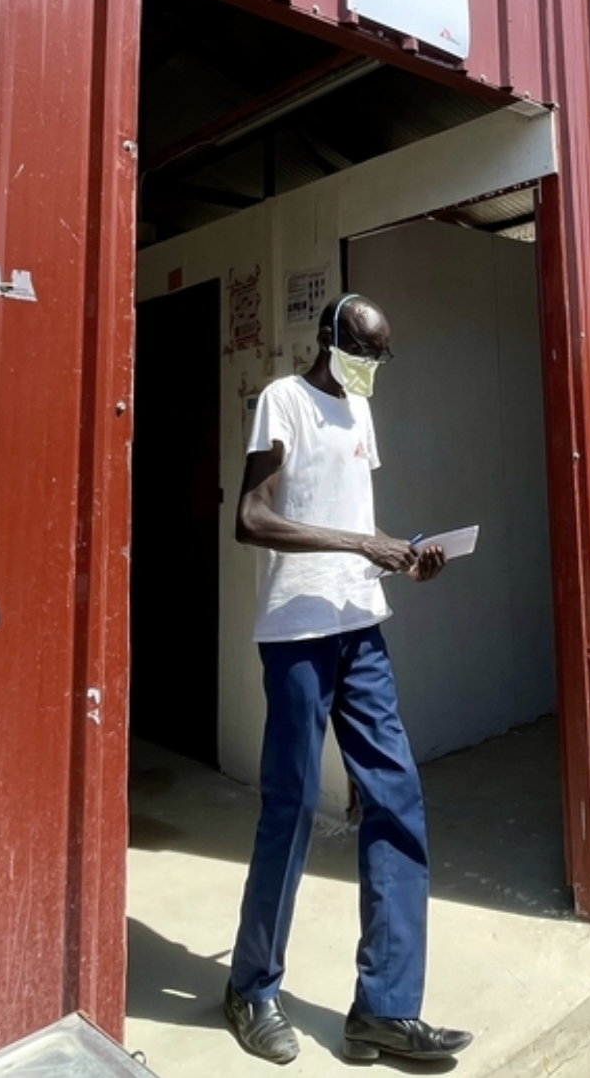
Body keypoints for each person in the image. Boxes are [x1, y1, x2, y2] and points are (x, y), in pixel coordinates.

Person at [222, 294, 472, 1067]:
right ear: (329, 340)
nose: (371, 367)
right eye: (364, 351)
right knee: (291, 808)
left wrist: (408, 557)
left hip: (362, 627)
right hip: (296, 632)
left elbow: (359, 515)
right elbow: (252, 519)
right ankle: (252, 988)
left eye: (381, 356)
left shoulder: (361, 413)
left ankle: (385, 1011)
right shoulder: (283, 401)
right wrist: (357, 543)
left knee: (396, 798)